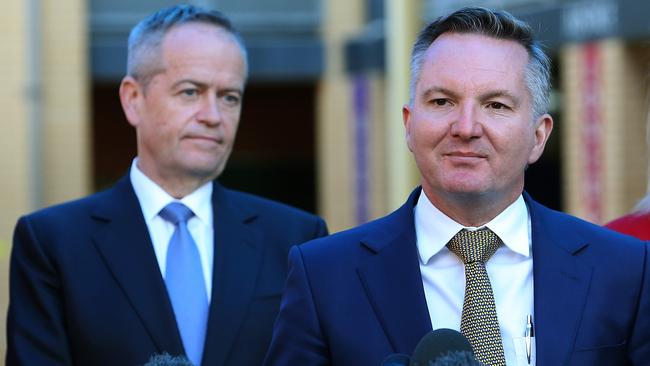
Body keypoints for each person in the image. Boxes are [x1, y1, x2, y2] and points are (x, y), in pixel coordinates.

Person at [264, 7, 650, 366]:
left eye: (496, 105)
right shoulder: (324, 277)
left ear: (538, 136)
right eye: (443, 101)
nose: (466, 127)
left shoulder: (625, 270)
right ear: (409, 125)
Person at [7, 5, 327, 366]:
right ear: (133, 99)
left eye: (229, 97)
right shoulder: (54, 243)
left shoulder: (295, 239)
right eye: (191, 92)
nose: (213, 116)